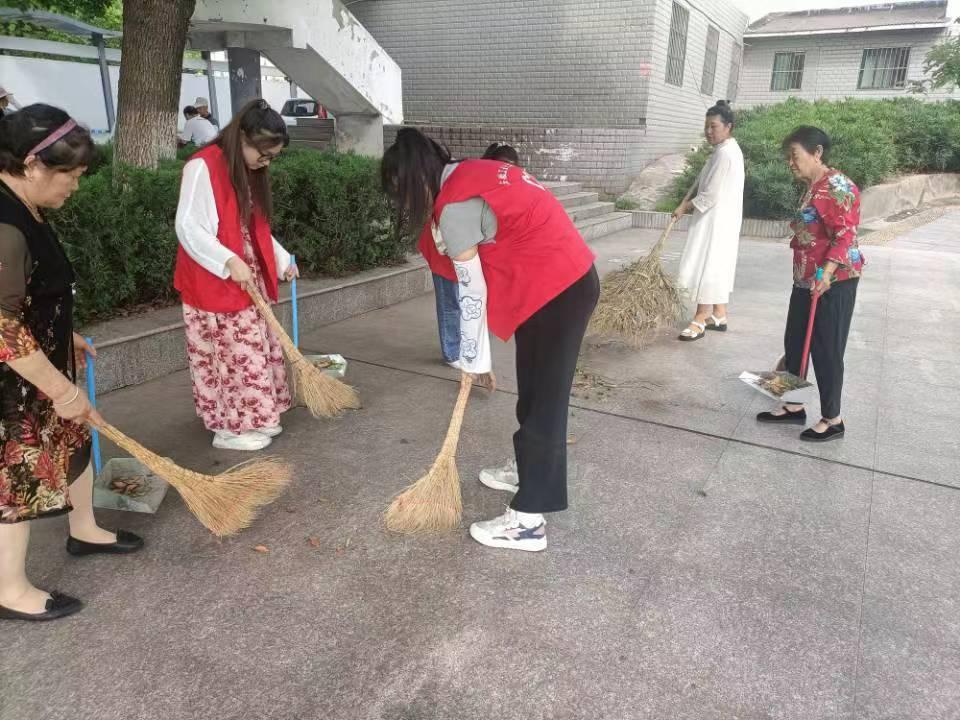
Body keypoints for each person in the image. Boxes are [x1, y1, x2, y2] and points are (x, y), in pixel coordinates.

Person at [384, 128, 599, 552]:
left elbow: (471, 293)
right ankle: (528, 468)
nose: (402, 203)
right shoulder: (471, 172)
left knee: (546, 402)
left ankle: (528, 523)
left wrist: (474, 359)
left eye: (399, 191)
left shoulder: (456, 206)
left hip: (558, 290)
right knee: (534, 392)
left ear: (414, 179)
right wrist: (476, 356)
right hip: (552, 285)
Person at [0, 105, 144, 622]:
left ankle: (83, 530)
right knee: (16, 477)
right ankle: (9, 590)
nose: (75, 187)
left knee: (73, 443)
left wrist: (68, 334)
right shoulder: (3, 222)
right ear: (33, 165)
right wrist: (62, 392)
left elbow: (33, 294)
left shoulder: (26, 205)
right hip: (14, 384)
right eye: (71, 175)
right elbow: (2, 326)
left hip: (46, 359)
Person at [174, 99, 298, 452]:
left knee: (254, 348)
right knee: (230, 354)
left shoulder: (244, 170)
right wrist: (228, 261)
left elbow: (253, 225)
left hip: (243, 276)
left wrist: (281, 256)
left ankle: (256, 416)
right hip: (215, 280)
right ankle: (229, 427)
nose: (266, 162)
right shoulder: (202, 166)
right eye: (263, 153)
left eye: (272, 156)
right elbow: (189, 227)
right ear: (240, 138)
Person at [757, 126, 864, 442]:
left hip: (832, 282)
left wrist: (827, 274)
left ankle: (833, 419)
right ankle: (792, 405)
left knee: (826, 349)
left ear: (817, 152)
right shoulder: (814, 185)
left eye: (795, 156)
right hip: (806, 278)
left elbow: (846, 235)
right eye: (788, 157)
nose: (791, 163)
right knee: (795, 341)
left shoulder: (838, 186)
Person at [423, 142, 523, 368]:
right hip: (445, 247)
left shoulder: (506, 188)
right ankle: (452, 353)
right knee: (451, 302)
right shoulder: (468, 185)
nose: (504, 173)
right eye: (501, 167)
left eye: (511, 169)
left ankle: (472, 348)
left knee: (473, 302)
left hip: (471, 251)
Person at [674, 100, 745, 341]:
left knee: (708, 263)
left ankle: (700, 318)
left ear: (728, 127)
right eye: (706, 126)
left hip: (715, 221)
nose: (708, 131)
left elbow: (710, 195)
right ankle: (719, 314)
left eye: (713, 126)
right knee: (717, 264)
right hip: (722, 220)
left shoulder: (725, 153)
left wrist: (684, 206)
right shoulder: (727, 150)